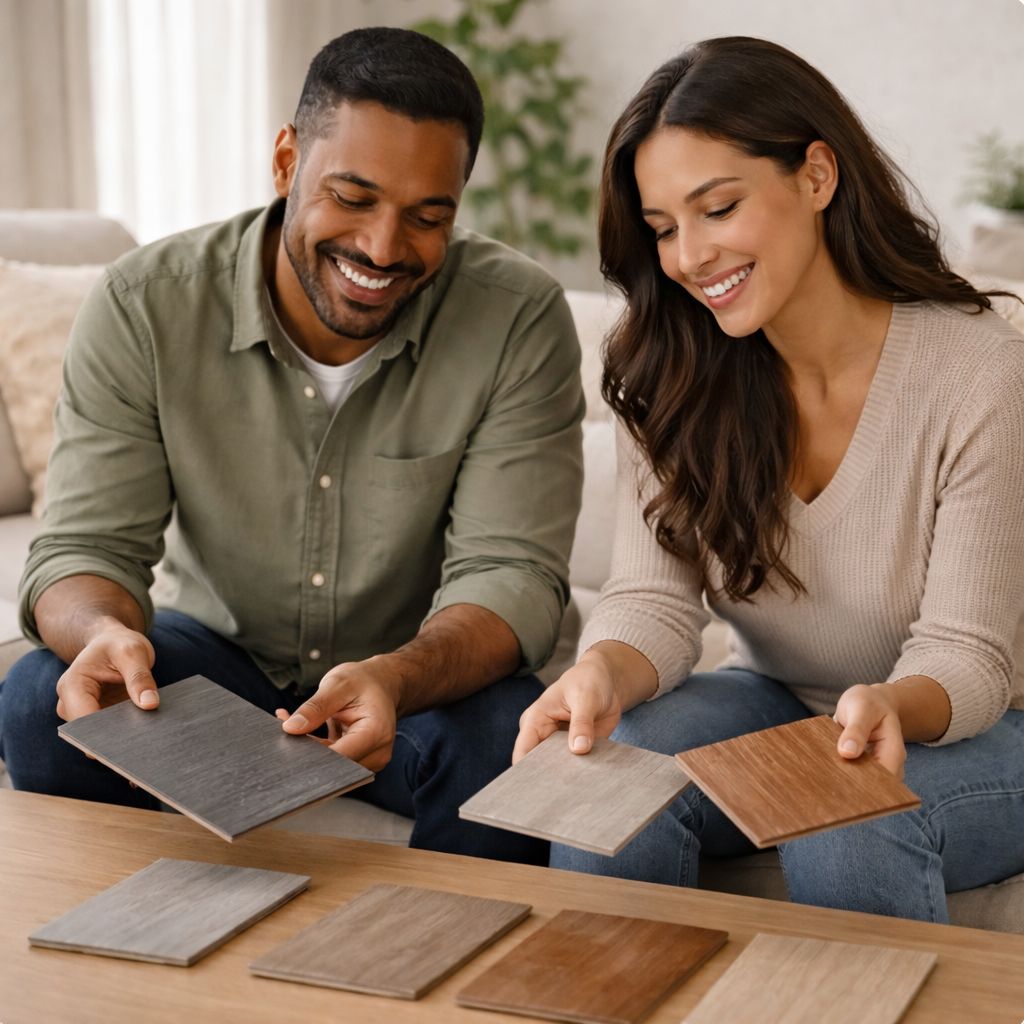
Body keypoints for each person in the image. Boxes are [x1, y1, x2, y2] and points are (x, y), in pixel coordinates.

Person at [0, 27, 584, 864]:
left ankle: (432, 948)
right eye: (352, 197)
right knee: (36, 700)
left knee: (507, 741)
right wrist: (100, 632)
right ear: (286, 162)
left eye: (428, 217)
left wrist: (396, 677)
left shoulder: (517, 318)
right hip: (217, 663)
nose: (383, 248)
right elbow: (84, 547)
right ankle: (141, 935)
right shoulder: (145, 304)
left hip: (413, 684)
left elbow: (512, 575)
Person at [513, 35, 1024, 921]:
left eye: (718, 208)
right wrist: (601, 671)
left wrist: (887, 705)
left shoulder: (980, 373)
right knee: (605, 772)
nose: (689, 257)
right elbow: (653, 600)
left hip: (981, 726)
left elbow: (969, 657)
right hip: (776, 699)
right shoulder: (670, 369)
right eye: (663, 228)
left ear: (816, 176)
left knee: (840, 812)